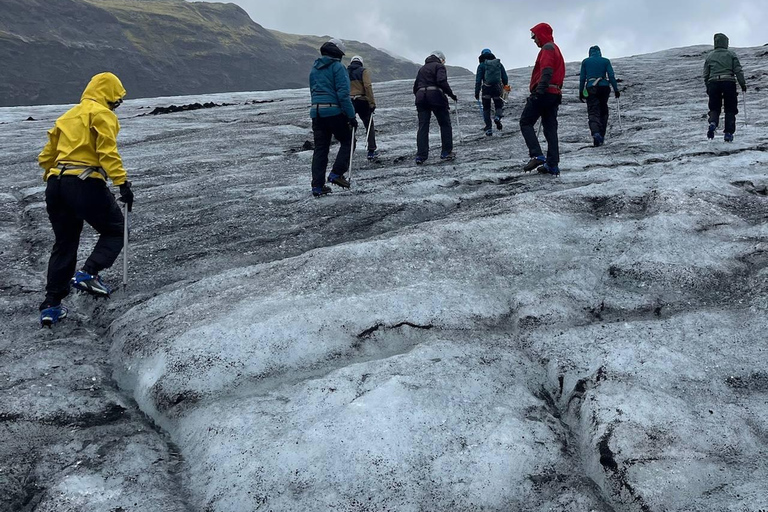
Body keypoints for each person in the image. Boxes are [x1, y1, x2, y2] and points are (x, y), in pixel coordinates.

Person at [37, 72, 134, 327]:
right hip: (84, 181)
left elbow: (47, 155)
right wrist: (122, 183)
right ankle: (88, 273)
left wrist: (52, 176)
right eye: (117, 98)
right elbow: (107, 152)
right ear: (109, 94)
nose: (117, 104)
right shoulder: (102, 115)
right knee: (116, 230)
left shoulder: (67, 116)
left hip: (56, 182)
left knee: (65, 243)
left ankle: (51, 306)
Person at [309, 38, 358, 196]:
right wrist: (351, 116)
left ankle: (317, 186)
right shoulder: (338, 68)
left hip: (317, 113)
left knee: (321, 149)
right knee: (349, 140)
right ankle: (337, 173)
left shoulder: (315, 68)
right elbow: (343, 94)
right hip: (334, 112)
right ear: (338, 53)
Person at [520, 23, 565, 176]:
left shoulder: (547, 48)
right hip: (554, 93)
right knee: (550, 129)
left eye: (535, 36)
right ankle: (552, 165)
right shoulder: (556, 49)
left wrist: (539, 91)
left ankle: (537, 155)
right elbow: (559, 73)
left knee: (525, 122)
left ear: (541, 35)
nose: (534, 40)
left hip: (544, 92)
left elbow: (546, 70)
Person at [413, 50, 457, 164]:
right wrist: (451, 95)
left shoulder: (422, 69)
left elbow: (415, 86)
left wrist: (420, 96)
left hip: (421, 97)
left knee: (423, 126)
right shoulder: (439, 66)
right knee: (444, 124)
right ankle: (446, 152)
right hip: (436, 97)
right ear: (440, 59)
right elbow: (441, 81)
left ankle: (421, 156)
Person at [703, 33, 747, 142]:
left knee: (714, 107)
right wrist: (743, 84)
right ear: (726, 42)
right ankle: (728, 133)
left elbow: (705, 74)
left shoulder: (710, 56)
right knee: (730, 108)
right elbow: (738, 70)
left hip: (713, 83)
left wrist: (708, 86)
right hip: (728, 82)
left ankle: (713, 123)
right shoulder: (731, 54)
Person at [578, 46, 620, 146]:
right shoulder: (605, 61)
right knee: (603, 110)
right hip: (604, 87)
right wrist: (616, 89)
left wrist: (580, 92)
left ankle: (596, 133)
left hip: (591, 87)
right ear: (599, 52)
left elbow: (582, 78)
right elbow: (611, 76)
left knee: (593, 111)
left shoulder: (585, 62)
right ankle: (602, 135)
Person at [347, 55, 378, 160]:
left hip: (349, 101)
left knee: (350, 126)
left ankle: (348, 150)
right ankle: (371, 150)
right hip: (362, 100)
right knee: (369, 124)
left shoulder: (345, 72)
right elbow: (367, 86)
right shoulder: (363, 71)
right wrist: (372, 103)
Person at [474, 48, 509, 136]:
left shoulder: (481, 65)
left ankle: (489, 129)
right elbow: (505, 77)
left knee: (486, 109)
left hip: (486, 89)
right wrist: (505, 87)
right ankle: (497, 117)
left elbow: (478, 80)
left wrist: (477, 92)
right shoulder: (498, 64)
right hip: (497, 88)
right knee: (498, 105)